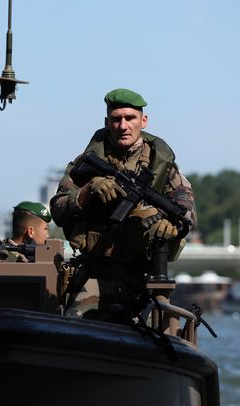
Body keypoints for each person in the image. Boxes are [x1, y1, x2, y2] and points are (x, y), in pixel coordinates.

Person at [49, 88, 197, 318]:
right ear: (107, 122)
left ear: (143, 121)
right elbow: (57, 209)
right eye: (116, 119)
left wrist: (174, 226)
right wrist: (88, 190)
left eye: (130, 118)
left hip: (142, 277)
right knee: (73, 330)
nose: (123, 126)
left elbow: (186, 211)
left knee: (156, 338)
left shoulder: (162, 165)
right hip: (94, 274)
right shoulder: (87, 162)